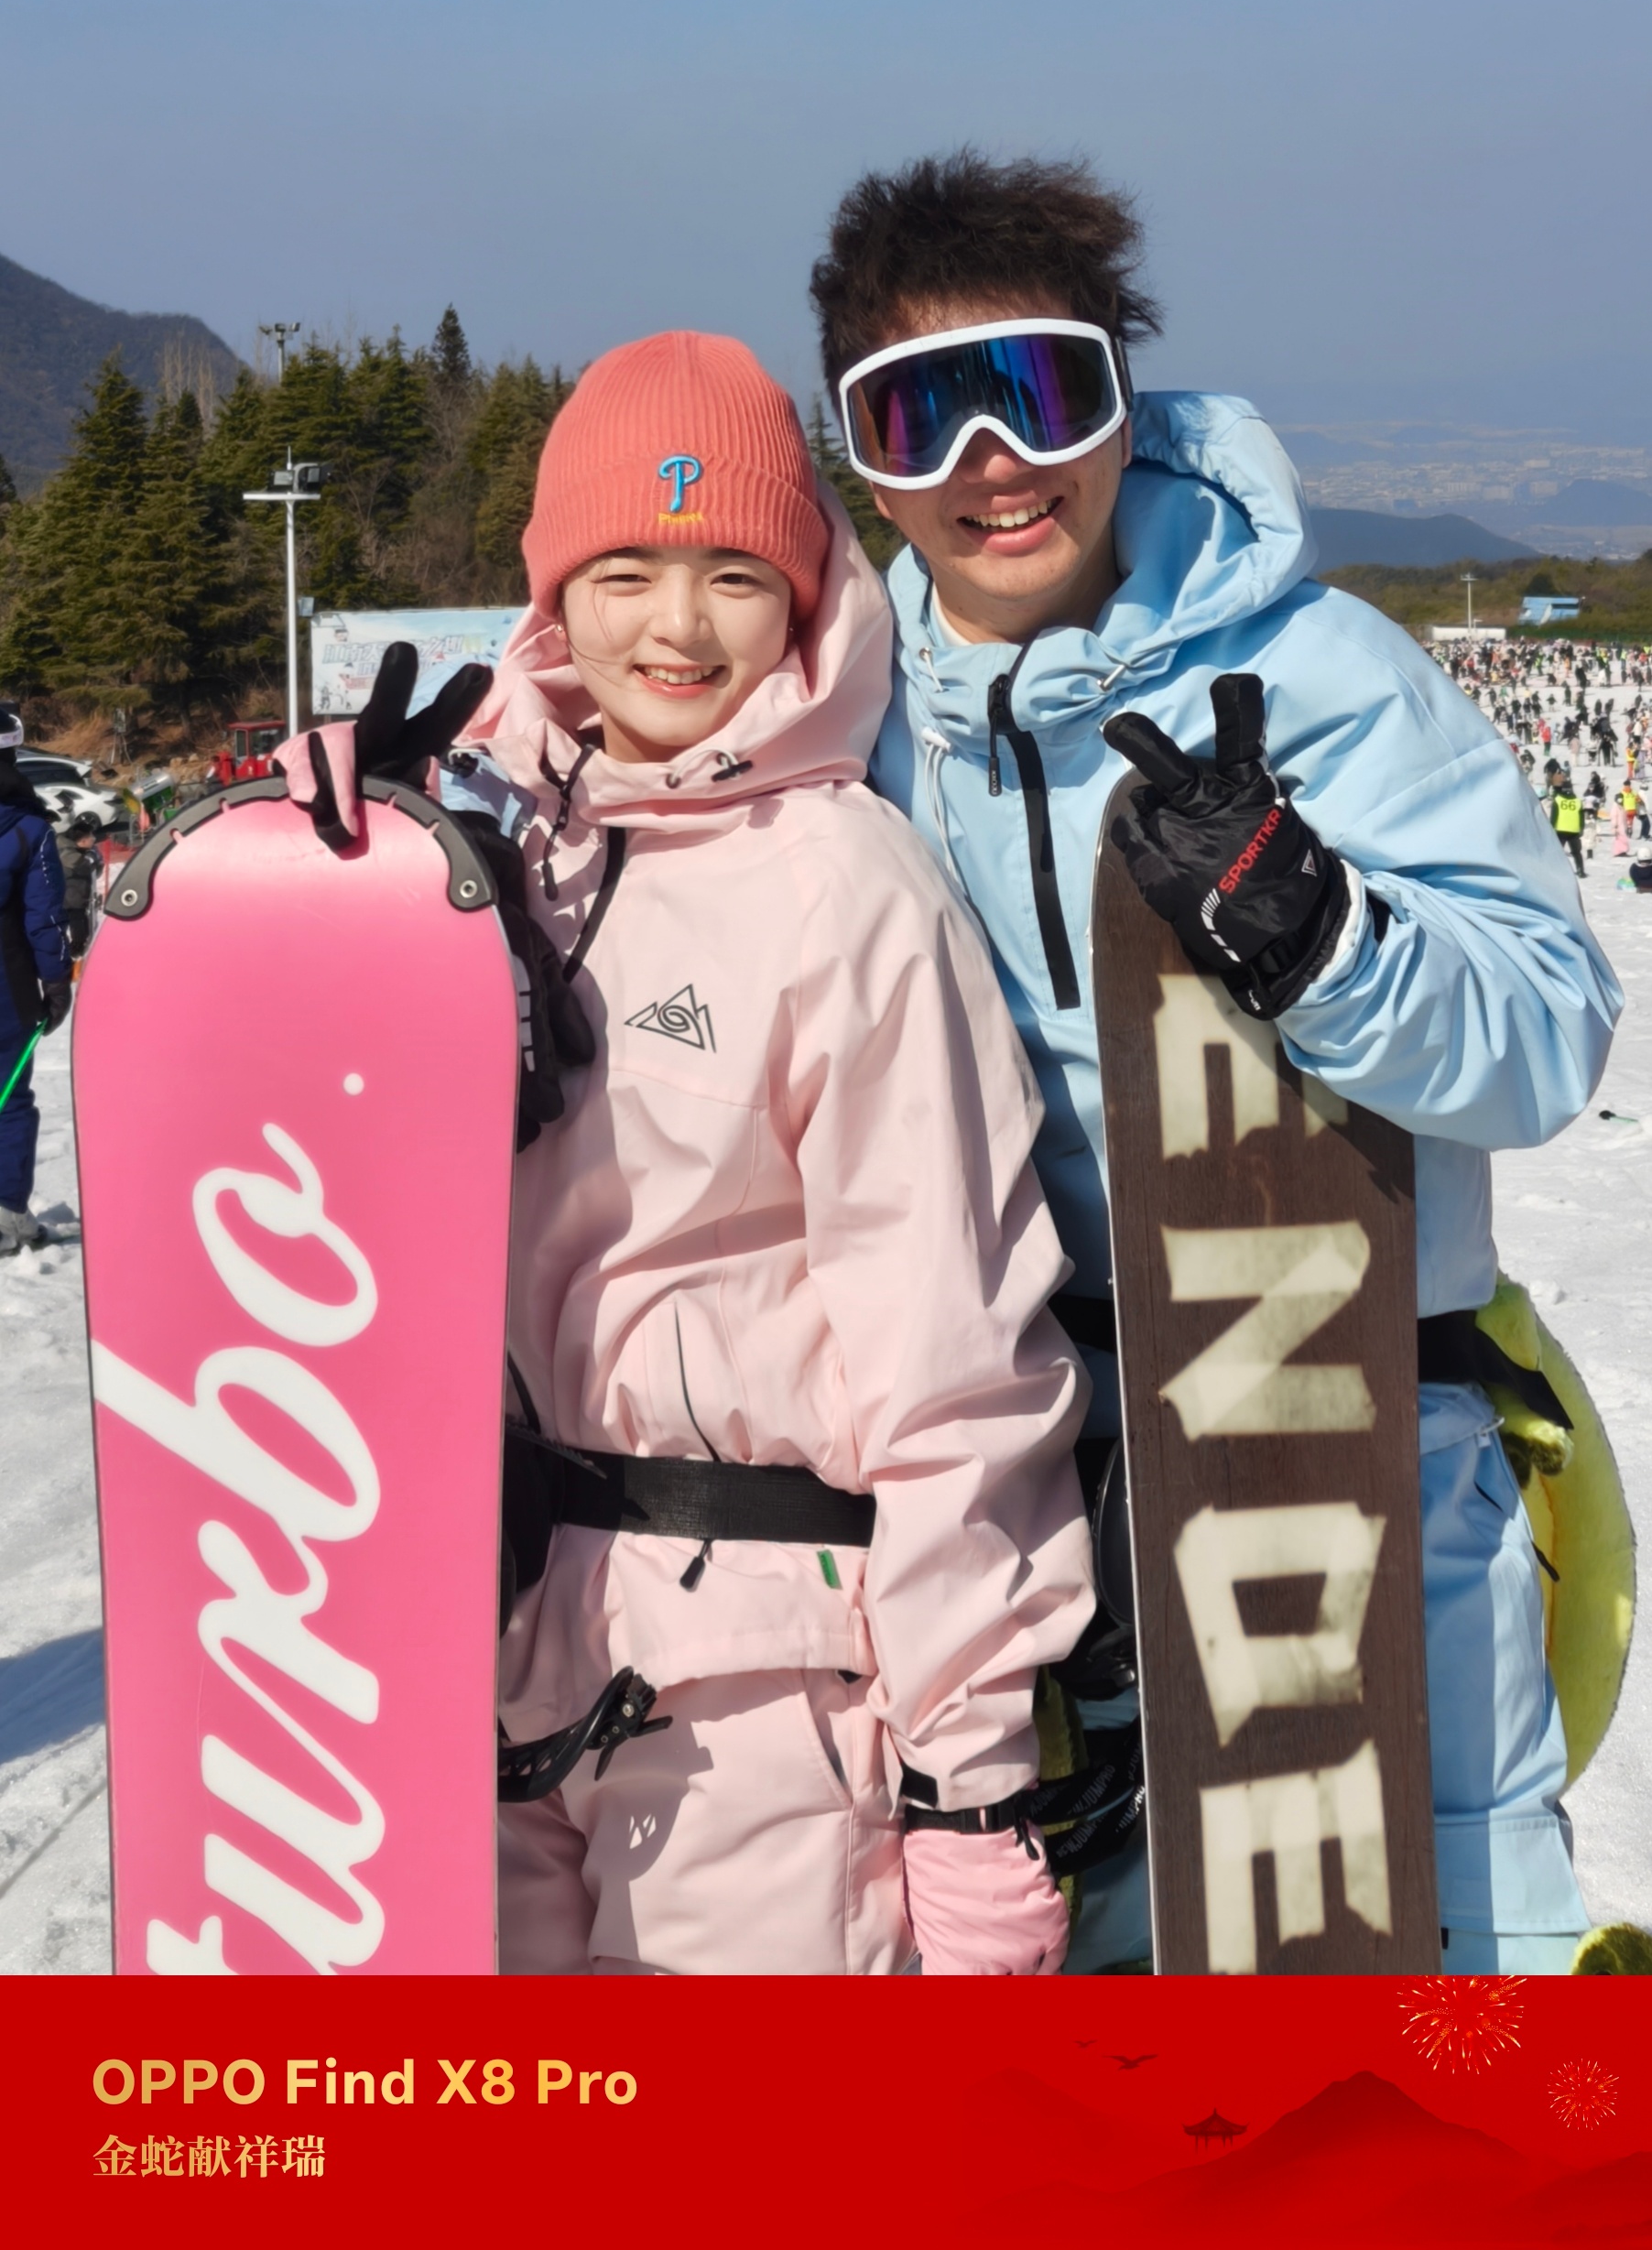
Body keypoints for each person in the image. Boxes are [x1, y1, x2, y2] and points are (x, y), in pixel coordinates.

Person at [810, 149, 1622, 1974]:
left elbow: (1542, 1032)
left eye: (1035, 389)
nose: (989, 464)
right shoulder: (858, 725)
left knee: (1423, 2041)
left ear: (1121, 395)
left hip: (1343, 1473)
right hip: (1032, 1525)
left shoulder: (1320, 675)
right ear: (861, 452)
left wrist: (1324, 942)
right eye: (917, 414)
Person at [281, 332, 1093, 1975]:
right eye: (624, 565)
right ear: (548, 590)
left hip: (763, 1708)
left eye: (731, 570)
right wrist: (308, 884)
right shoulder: (486, 859)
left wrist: (968, 1786)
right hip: (484, 1674)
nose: (673, 624)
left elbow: (954, 1359)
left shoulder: (842, 885)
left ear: (800, 595)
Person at [0, 710, 73, 1254]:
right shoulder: (28, 830)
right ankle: (6, 1214)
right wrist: (57, 982)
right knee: (8, 1102)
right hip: (10, 991)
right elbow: (44, 918)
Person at [55, 813, 103, 962]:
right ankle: (75, 951)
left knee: (84, 926)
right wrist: (92, 859)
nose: (94, 840)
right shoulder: (68, 854)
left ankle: (80, 948)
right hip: (70, 900)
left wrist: (94, 858)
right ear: (81, 841)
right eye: (91, 838)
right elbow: (85, 866)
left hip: (79, 897)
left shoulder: (79, 851)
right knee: (78, 928)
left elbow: (97, 869)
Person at [1549, 775, 1587, 877]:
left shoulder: (1558, 800)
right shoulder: (1578, 801)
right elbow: (1581, 816)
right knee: (1576, 853)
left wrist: (1551, 827)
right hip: (1574, 830)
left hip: (1560, 829)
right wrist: (1581, 828)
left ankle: (1555, 870)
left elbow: (1554, 815)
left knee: (1557, 852)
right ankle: (1580, 870)